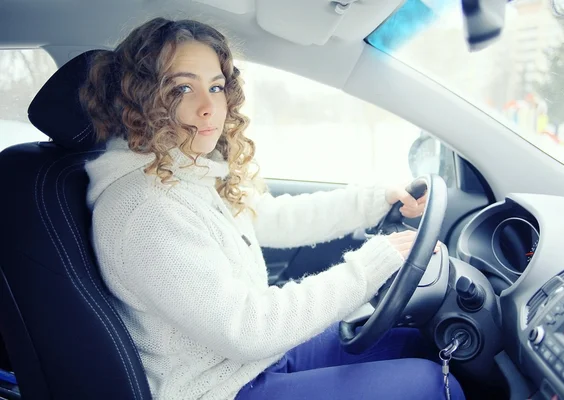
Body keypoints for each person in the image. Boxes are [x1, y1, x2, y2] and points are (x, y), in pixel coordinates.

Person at [81, 17, 464, 400]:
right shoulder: (148, 210)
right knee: (432, 384)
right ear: (139, 98)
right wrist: (370, 267)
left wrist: (375, 201)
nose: (208, 107)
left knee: (413, 343)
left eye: (215, 87)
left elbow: (272, 218)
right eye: (181, 88)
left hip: (249, 364)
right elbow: (247, 328)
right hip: (218, 388)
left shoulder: (181, 171)